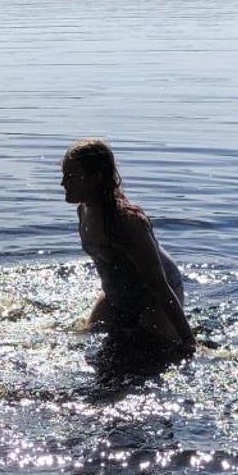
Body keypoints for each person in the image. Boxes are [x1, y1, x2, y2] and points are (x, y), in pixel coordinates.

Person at [59, 139, 198, 361]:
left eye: (70, 176)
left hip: (156, 296)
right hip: (117, 293)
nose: (62, 183)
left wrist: (189, 340)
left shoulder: (126, 223)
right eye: (64, 175)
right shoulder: (83, 212)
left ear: (96, 178)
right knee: (87, 335)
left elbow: (160, 286)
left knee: (154, 352)